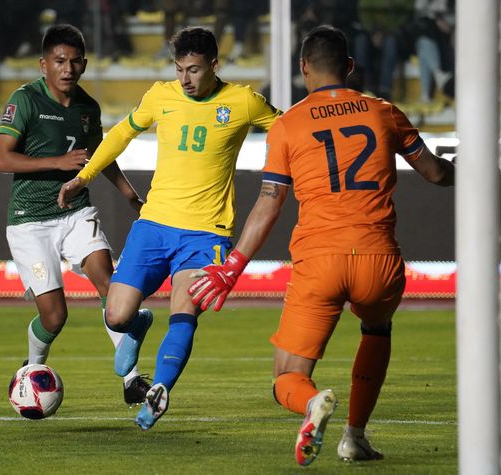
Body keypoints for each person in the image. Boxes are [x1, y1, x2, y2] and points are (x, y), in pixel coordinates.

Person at [189, 25, 454, 466]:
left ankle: (312, 403)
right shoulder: (384, 112)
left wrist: (233, 266)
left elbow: (269, 203)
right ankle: (355, 437)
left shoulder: (288, 124)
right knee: (377, 329)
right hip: (379, 260)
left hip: (320, 261)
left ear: (303, 69)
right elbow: (436, 173)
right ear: (349, 66)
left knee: (286, 377)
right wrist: (467, 169)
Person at [57, 26, 281, 430]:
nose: (185, 79)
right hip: (154, 224)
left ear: (214, 65)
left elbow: (289, 130)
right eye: (179, 70)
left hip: (206, 233)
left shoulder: (243, 101)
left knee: (184, 309)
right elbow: (122, 134)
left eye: (194, 70)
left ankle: (159, 389)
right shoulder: (161, 96)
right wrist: (83, 177)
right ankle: (139, 324)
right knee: (116, 316)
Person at [0, 24, 151, 406]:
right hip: (30, 220)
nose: (68, 69)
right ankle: (32, 369)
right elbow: (2, 159)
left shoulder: (87, 107)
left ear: (84, 64)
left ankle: (131, 379)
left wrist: (131, 196)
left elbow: (100, 156)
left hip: (75, 211)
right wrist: (58, 161)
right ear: (43, 64)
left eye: (75, 61)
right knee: (54, 318)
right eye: (60, 61)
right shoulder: (25, 100)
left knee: (109, 283)